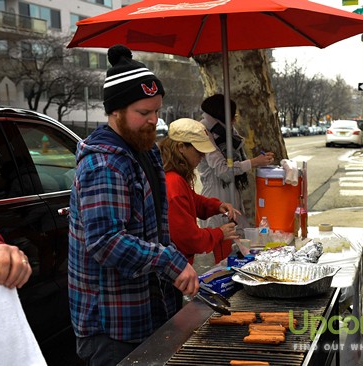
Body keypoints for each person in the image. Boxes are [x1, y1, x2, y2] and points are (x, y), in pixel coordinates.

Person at [68, 44, 198, 366]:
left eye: (157, 111)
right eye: (143, 113)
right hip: (112, 326)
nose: (154, 120)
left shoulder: (146, 151)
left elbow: (155, 228)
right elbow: (107, 241)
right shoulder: (104, 165)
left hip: (148, 309)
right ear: (115, 111)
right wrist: (170, 260)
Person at [158, 118, 240, 264]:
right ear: (181, 147)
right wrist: (219, 233)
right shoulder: (173, 182)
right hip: (176, 267)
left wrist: (216, 206)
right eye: (199, 151)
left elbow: (191, 199)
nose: (202, 157)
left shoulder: (175, 177)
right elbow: (190, 239)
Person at [197, 94, 274, 235]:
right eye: (233, 116)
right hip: (216, 196)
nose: (234, 121)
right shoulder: (204, 132)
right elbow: (223, 170)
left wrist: (256, 161)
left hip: (233, 193)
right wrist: (254, 162)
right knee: (224, 244)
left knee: (242, 238)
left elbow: (237, 161)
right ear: (223, 116)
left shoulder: (228, 132)